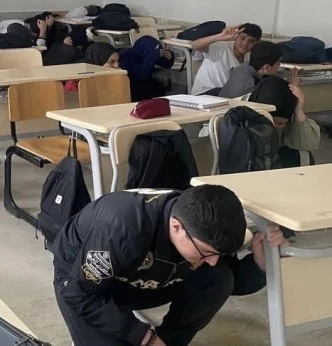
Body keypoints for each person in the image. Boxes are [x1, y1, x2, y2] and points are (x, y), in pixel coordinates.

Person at [53, 186, 285, 346]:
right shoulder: (122, 228)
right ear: (176, 228)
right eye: (206, 253)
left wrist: (259, 263)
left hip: (148, 278)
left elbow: (226, 282)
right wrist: (143, 336)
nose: (213, 260)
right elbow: (80, 295)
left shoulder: (200, 227)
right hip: (89, 286)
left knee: (219, 277)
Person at [249, 74, 320, 167]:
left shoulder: (289, 119)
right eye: (269, 122)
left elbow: (309, 144)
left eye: (280, 124)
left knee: (303, 155)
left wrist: (298, 110)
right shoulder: (244, 114)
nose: (273, 128)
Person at [190, 24, 261, 95]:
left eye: (251, 41)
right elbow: (194, 45)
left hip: (228, 94)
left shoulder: (251, 56)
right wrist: (220, 36)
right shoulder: (221, 47)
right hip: (205, 93)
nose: (245, 43)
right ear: (236, 36)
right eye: (242, 38)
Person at [218, 40, 283, 98]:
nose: (279, 66)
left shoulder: (243, 66)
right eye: (278, 63)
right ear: (266, 67)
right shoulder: (251, 91)